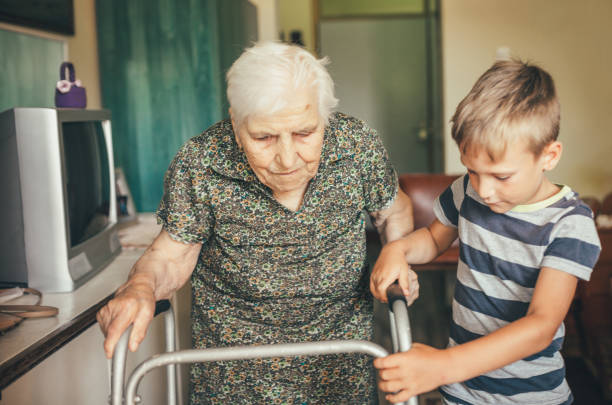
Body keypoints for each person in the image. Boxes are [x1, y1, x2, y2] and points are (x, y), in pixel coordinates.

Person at [97, 41, 418, 404]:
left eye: (304, 134)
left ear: (325, 118)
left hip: (340, 362)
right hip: (232, 373)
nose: (286, 158)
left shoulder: (356, 146)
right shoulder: (201, 163)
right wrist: (140, 285)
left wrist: (397, 252)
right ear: (235, 124)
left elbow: (392, 211)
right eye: (264, 137)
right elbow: (171, 256)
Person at [370, 60, 601, 404]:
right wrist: (397, 249)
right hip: (463, 389)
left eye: (502, 176)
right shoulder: (469, 191)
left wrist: (443, 366)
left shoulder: (570, 224)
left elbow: (541, 326)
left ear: (548, 156)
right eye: (473, 171)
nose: (485, 190)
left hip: (530, 395)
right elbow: (433, 240)